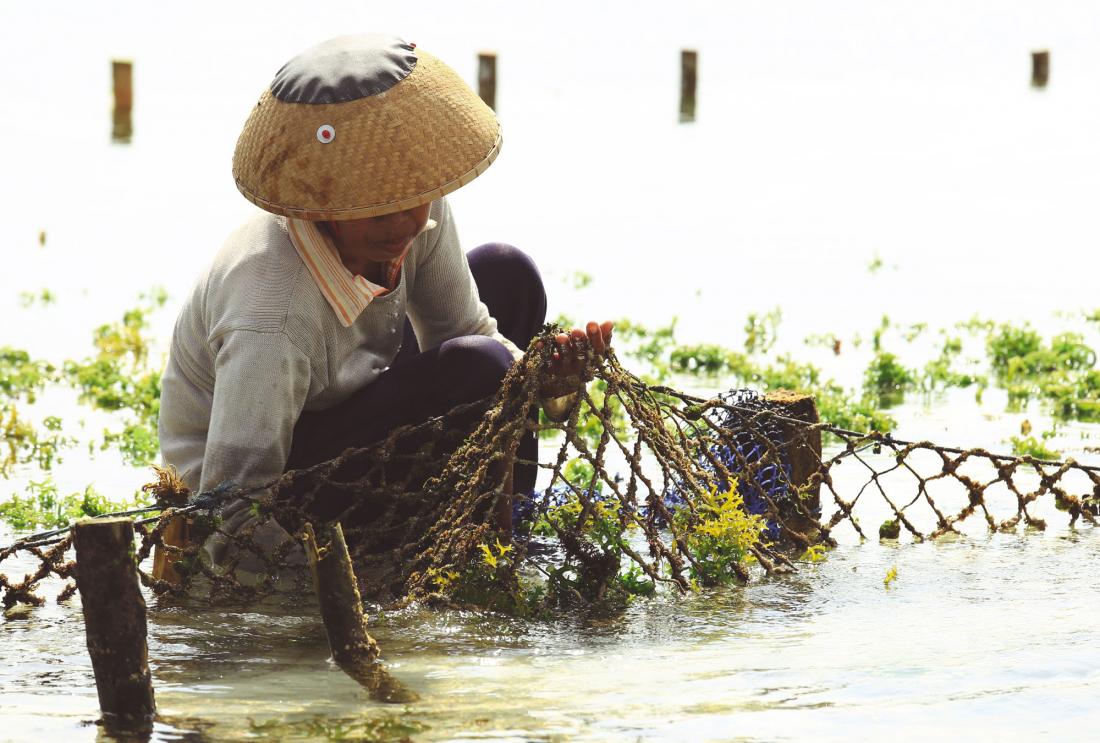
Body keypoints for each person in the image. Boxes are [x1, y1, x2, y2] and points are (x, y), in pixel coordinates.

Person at [157, 33, 611, 557]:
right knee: (480, 366)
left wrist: (547, 381)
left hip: (352, 403)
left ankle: (504, 519)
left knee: (507, 274)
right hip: (274, 481)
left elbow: (466, 329)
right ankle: (485, 553)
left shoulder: (416, 205)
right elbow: (231, 508)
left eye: (410, 203)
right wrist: (311, 585)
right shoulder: (270, 317)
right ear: (322, 206)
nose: (401, 226)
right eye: (376, 212)